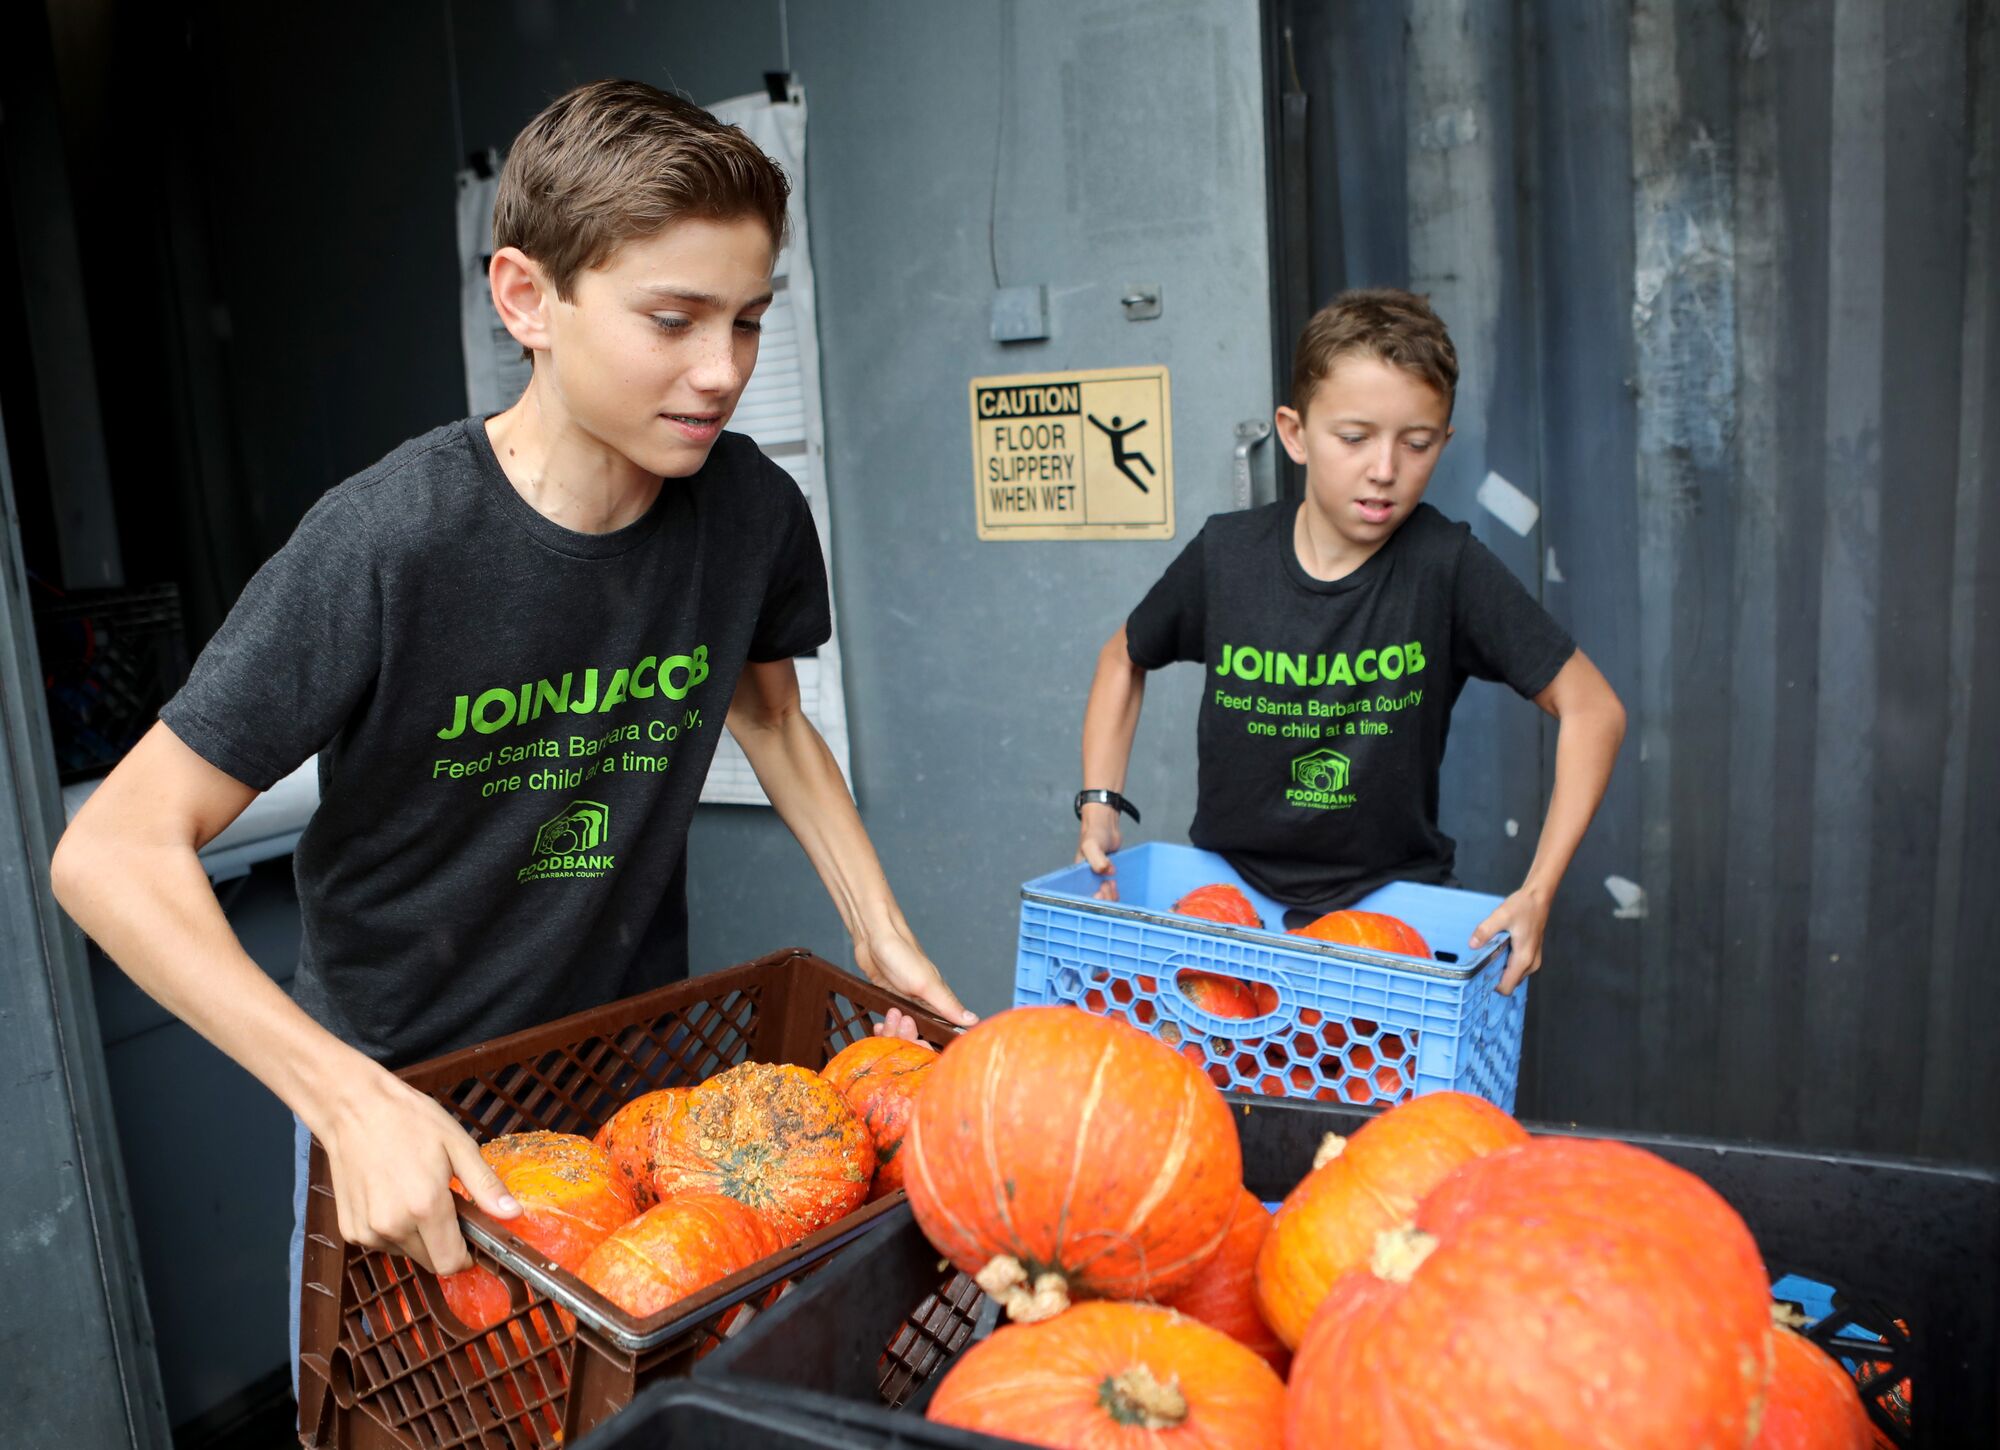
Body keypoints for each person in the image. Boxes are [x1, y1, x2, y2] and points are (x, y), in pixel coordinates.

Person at [49, 80, 973, 1380]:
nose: (723, 369)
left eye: (750, 321)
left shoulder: (748, 511)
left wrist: (884, 935)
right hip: (406, 1115)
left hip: (645, 1098)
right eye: (674, 319)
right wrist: (346, 1097)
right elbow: (111, 855)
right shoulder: (387, 543)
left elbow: (769, 707)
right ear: (528, 299)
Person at [1075, 288, 1625, 995]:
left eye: (1417, 442)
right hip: (1226, 911)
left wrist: (1539, 889)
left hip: (1391, 918)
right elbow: (1124, 656)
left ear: (1444, 443)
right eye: (1355, 437)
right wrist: (1099, 802)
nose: (1386, 468)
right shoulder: (1226, 556)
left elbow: (1595, 710)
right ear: (1295, 433)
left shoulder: (1446, 567)